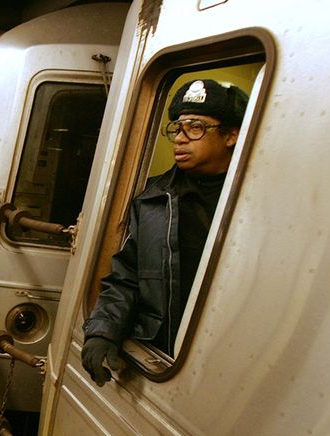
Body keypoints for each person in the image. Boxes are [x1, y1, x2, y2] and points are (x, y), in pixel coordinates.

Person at [81, 79, 249, 386]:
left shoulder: (254, 198)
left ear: (232, 135)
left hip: (229, 361)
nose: (180, 139)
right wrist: (103, 330)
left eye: (195, 127)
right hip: (165, 357)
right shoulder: (153, 200)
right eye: (177, 127)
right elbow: (127, 276)